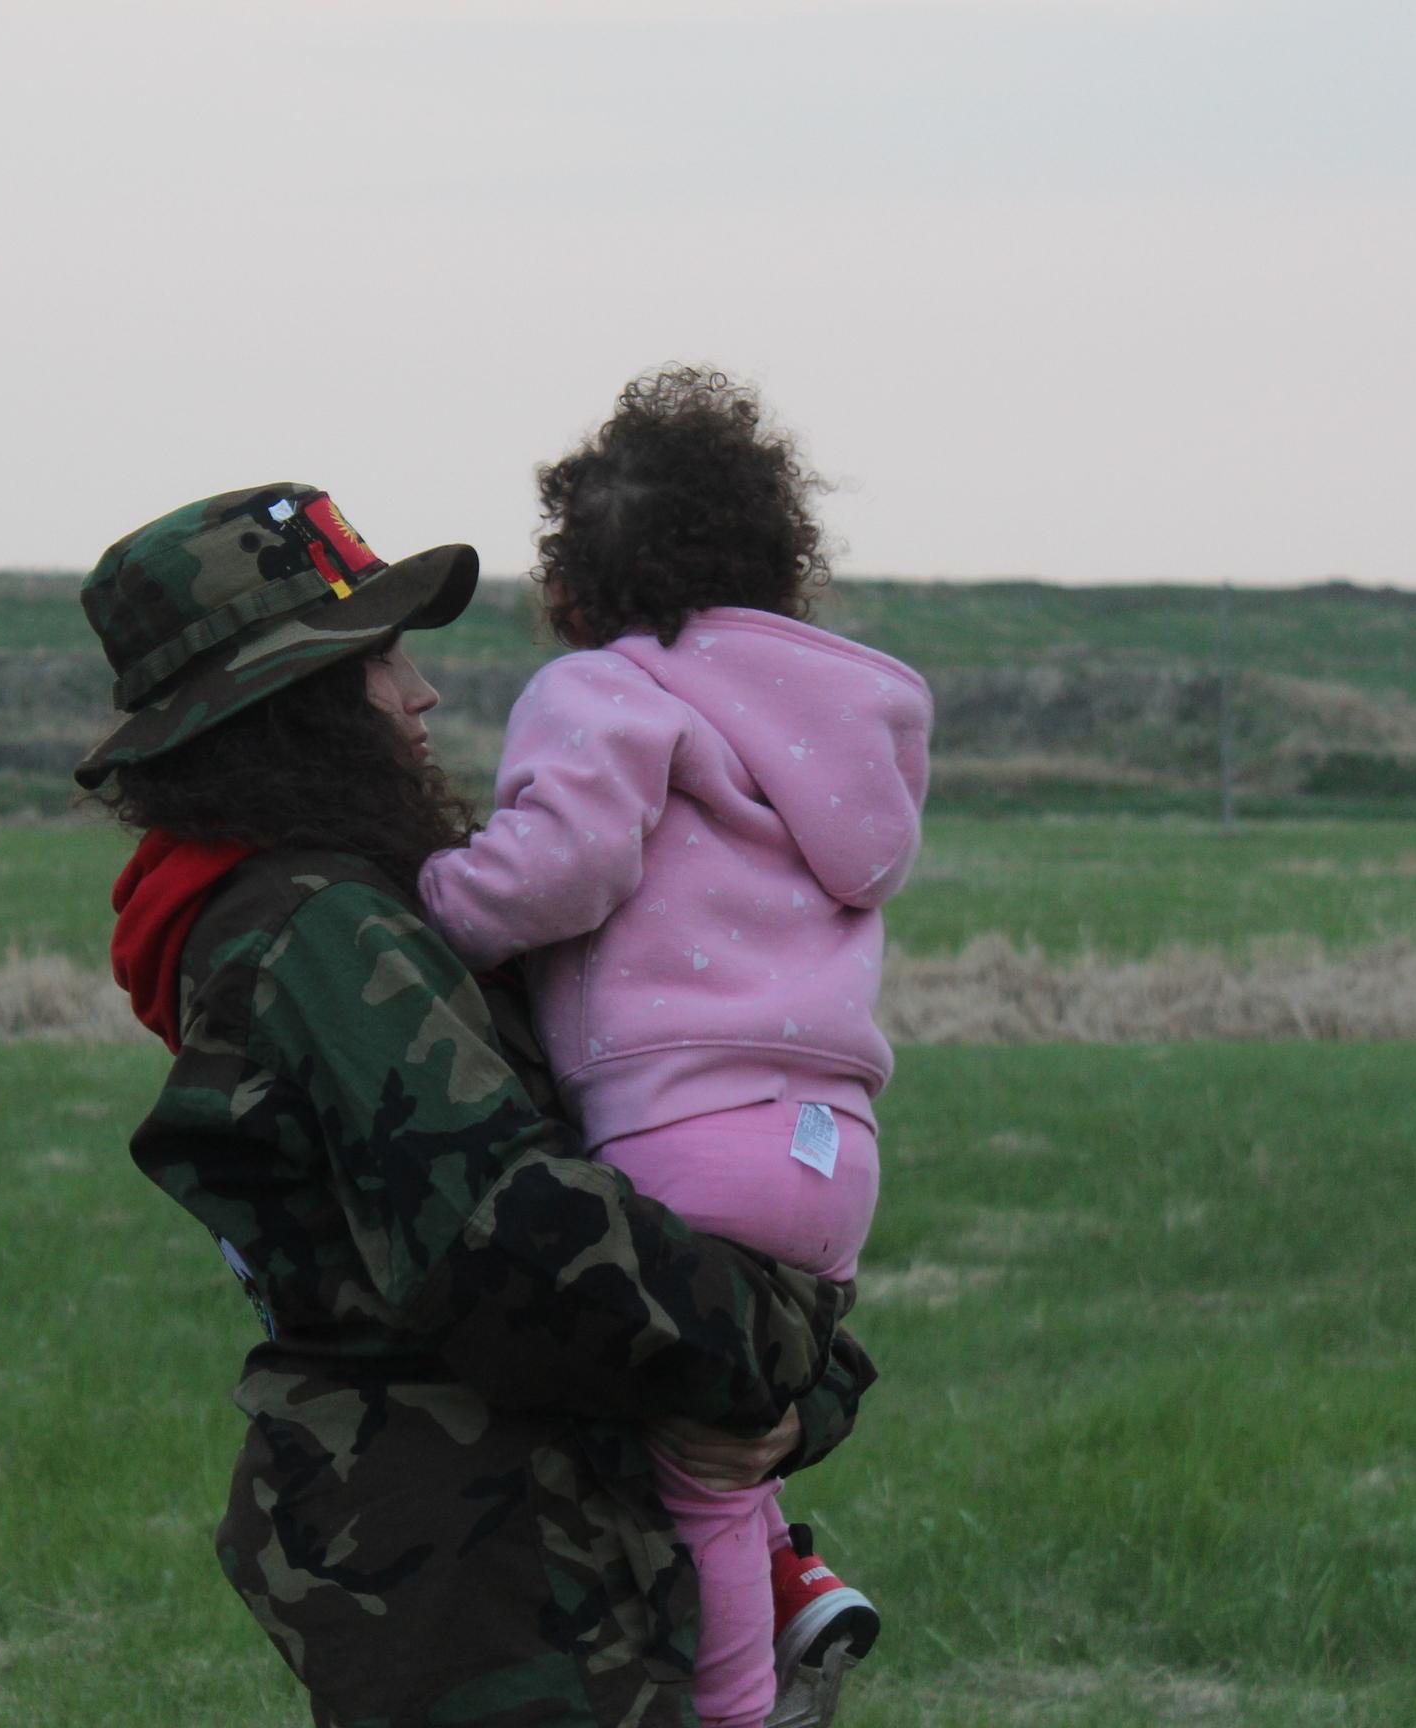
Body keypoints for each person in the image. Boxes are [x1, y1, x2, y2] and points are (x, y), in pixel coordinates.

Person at [73, 481, 877, 1728]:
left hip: (546, 1557)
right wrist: (793, 1360)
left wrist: (796, 1387)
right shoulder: (320, 934)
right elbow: (525, 1245)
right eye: (376, 663)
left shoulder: (346, 909)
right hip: (499, 1594)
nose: (418, 694)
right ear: (282, 713)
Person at [418, 370, 932, 1728]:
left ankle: (735, 1708)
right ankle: (799, 1584)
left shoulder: (606, 687)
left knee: (690, 1467)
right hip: (832, 1160)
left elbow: (565, 864)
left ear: (577, 576)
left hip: (681, 1133)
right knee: (735, 1400)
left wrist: (439, 903)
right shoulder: (837, 722)